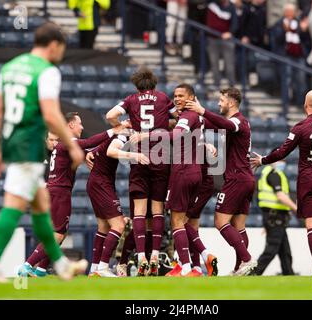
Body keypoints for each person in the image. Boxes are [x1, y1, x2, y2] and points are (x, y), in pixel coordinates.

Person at [0, 22, 87, 282]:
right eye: (62, 47)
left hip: (11, 141)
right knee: (13, 205)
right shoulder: (46, 71)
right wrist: (72, 145)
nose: (61, 53)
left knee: (40, 205)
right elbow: (50, 113)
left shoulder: (9, 68)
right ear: (53, 45)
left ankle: (60, 265)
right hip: (28, 143)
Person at [251, 71, 312, 276]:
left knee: (311, 225)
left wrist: (263, 160)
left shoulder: (300, 128)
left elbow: (282, 152)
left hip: (309, 180)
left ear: (305, 105)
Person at [18, 112, 129, 277]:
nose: (82, 127)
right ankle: (27, 265)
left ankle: (41, 269)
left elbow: (87, 150)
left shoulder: (61, 145)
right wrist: (115, 130)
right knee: (58, 233)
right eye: (80, 123)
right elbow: (88, 142)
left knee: (58, 232)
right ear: (71, 125)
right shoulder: (67, 142)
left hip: (55, 190)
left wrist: (90, 153)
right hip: (60, 191)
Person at [131, 84, 217, 277]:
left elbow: (177, 134)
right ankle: (198, 261)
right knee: (186, 222)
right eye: (175, 96)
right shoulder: (194, 118)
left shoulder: (188, 116)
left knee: (176, 222)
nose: (177, 99)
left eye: (181, 96)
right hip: (196, 174)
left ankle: (186, 267)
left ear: (192, 98)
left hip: (183, 173)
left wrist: (147, 134)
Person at [106, 67, 178, 276]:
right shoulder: (164, 98)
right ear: (154, 84)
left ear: (137, 85)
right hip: (161, 157)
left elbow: (110, 115)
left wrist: (123, 126)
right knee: (157, 209)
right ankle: (155, 254)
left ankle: (141, 257)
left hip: (139, 157)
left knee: (138, 211)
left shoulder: (131, 100)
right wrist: (164, 124)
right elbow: (177, 118)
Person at [186, 87, 257, 276]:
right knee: (238, 227)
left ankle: (247, 259)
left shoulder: (237, 121)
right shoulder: (237, 122)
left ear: (231, 102)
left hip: (236, 179)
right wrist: (194, 117)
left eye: (221, 99)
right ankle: (240, 268)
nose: (218, 103)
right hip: (246, 178)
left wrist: (202, 111)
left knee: (220, 221)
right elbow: (213, 125)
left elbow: (224, 124)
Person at [86, 131, 150, 277]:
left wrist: (90, 152)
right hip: (101, 184)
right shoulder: (122, 135)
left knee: (103, 227)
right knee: (119, 225)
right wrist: (136, 155)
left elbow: (98, 149)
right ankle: (103, 267)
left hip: (98, 182)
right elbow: (111, 151)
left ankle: (94, 269)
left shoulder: (117, 134)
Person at [253, 156, 297, 275]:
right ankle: (253, 273)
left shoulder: (268, 173)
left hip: (274, 217)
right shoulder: (274, 174)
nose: (283, 163)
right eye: (281, 160)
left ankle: (289, 274)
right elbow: (280, 196)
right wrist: (296, 209)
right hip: (274, 217)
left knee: (284, 250)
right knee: (271, 249)